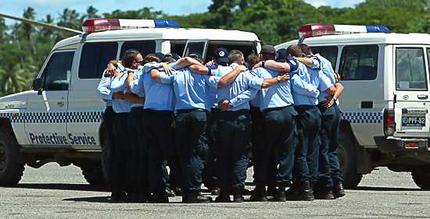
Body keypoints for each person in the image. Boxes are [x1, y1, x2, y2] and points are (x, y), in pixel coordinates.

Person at [213, 49, 289, 202]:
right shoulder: (247, 74)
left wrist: (229, 103)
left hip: (224, 116)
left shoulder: (219, 71)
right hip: (242, 116)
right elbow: (260, 86)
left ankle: (224, 192)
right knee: (240, 155)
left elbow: (214, 86)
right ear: (241, 61)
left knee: (223, 155)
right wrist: (279, 79)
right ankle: (238, 192)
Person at [152, 56, 213, 203]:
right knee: (196, 153)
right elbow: (220, 82)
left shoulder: (175, 74)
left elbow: (156, 77)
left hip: (181, 115)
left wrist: (169, 65)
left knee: (182, 153)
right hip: (199, 113)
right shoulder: (204, 75)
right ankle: (193, 191)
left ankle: (184, 189)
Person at [247, 46, 297, 202]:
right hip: (288, 111)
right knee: (286, 152)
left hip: (271, 114)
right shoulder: (284, 69)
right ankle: (281, 189)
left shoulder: (257, 71)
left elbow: (253, 94)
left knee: (264, 152)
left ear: (261, 56)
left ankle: (262, 189)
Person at [299, 44, 345, 199]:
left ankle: (327, 186)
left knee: (323, 149)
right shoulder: (325, 62)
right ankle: (337, 183)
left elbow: (332, 88)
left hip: (324, 109)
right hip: (333, 109)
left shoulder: (315, 66)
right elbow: (339, 84)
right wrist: (334, 98)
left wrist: (332, 97)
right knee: (331, 149)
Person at [287, 45, 332, 201]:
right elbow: (328, 86)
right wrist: (316, 91)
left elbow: (297, 85)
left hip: (303, 111)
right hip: (315, 110)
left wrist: (312, 91)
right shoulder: (315, 66)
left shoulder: (295, 68)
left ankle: (305, 186)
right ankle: (312, 184)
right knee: (313, 150)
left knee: (302, 151)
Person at [108, 49, 144, 202]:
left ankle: (132, 190)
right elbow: (110, 88)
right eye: (139, 61)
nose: (141, 64)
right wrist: (122, 95)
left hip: (133, 116)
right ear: (133, 62)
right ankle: (119, 191)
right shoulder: (120, 73)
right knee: (122, 156)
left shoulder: (138, 71)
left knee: (134, 156)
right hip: (122, 118)